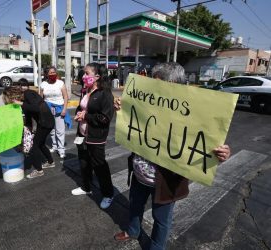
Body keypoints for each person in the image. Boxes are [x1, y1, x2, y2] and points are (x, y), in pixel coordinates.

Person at [113, 62, 231, 250]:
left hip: (165, 182)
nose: (154, 88)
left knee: (161, 220)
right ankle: (133, 231)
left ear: (175, 86)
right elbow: (131, 125)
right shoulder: (146, 101)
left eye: (159, 84)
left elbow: (206, 140)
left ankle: (156, 247)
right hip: (139, 174)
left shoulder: (191, 112)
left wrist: (222, 152)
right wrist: (121, 110)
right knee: (135, 206)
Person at [71, 62, 115, 209]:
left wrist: (86, 116)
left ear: (97, 76)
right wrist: (79, 113)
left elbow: (105, 118)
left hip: (96, 137)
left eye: (86, 73)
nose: (83, 76)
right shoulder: (86, 90)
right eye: (83, 73)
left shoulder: (105, 94)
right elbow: (82, 107)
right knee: (83, 163)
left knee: (99, 166)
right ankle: (86, 187)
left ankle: (108, 194)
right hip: (82, 134)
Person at [2, 84, 55, 179]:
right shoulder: (23, 101)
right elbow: (29, 118)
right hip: (44, 122)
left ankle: (39, 171)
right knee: (41, 143)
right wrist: (28, 131)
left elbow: (36, 108)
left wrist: (20, 104)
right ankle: (51, 162)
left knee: (34, 146)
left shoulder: (28, 94)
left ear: (12, 96)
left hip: (46, 122)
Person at [40, 66, 69, 159]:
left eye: (54, 72)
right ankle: (54, 146)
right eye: (50, 73)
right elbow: (41, 99)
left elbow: (65, 97)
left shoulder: (60, 83)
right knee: (51, 130)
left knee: (60, 131)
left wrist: (64, 109)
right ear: (46, 74)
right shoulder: (43, 84)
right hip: (47, 109)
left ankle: (61, 150)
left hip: (59, 109)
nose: (52, 74)